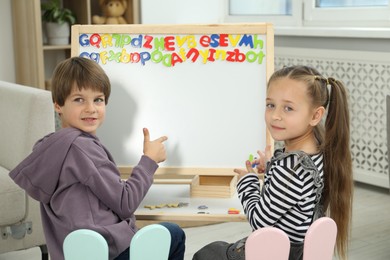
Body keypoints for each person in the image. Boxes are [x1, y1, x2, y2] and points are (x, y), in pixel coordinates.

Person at [9, 57, 186, 260]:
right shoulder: (83, 148)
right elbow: (125, 202)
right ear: (58, 105)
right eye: (79, 99)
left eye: (98, 99)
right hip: (107, 253)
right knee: (173, 233)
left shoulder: (51, 148)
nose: (90, 108)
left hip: (72, 254)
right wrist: (149, 160)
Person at [193, 65, 353, 260]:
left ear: (315, 115)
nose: (275, 115)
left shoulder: (290, 170)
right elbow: (293, 194)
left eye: (288, 108)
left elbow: (260, 221)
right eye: (270, 105)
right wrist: (272, 167)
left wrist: (248, 182)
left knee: (206, 254)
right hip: (299, 248)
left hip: (280, 252)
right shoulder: (318, 150)